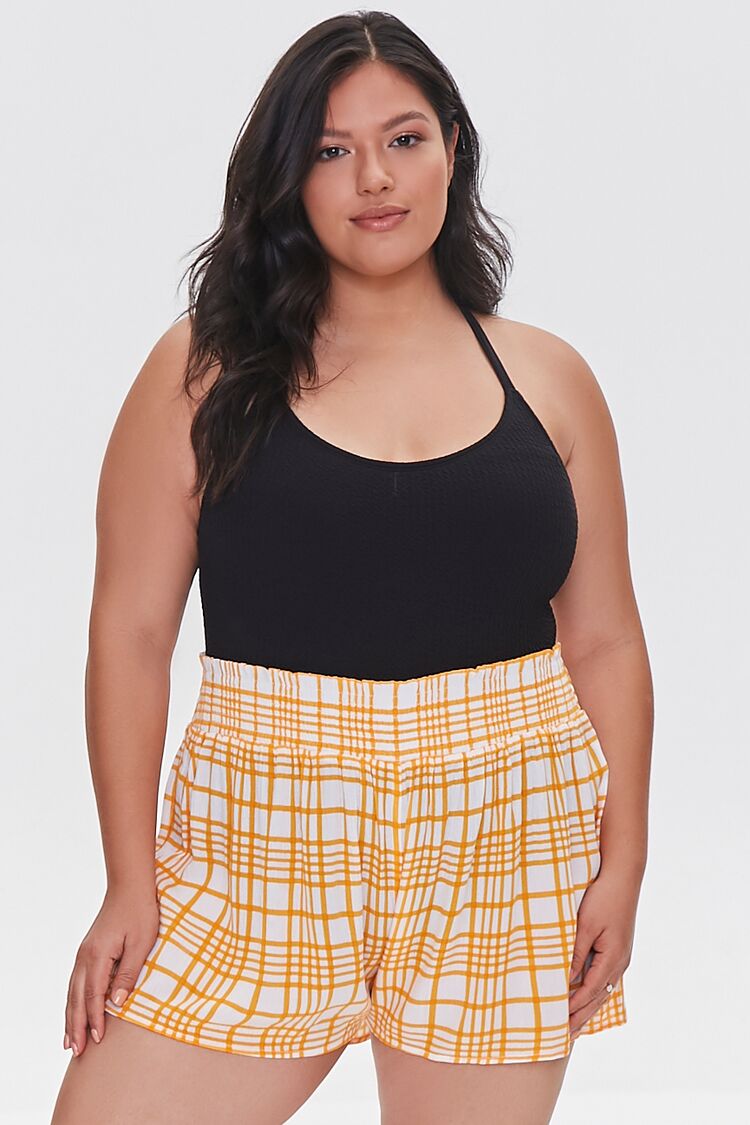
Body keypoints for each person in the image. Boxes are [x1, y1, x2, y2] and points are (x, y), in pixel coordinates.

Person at [51, 11, 653, 1125]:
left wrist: (625, 864)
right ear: (289, 175)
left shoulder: (550, 378)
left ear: (453, 148)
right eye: (332, 150)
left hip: (507, 839)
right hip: (260, 838)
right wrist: (130, 880)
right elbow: (129, 634)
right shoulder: (203, 373)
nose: (374, 177)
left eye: (404, 139)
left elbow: (606, 638)